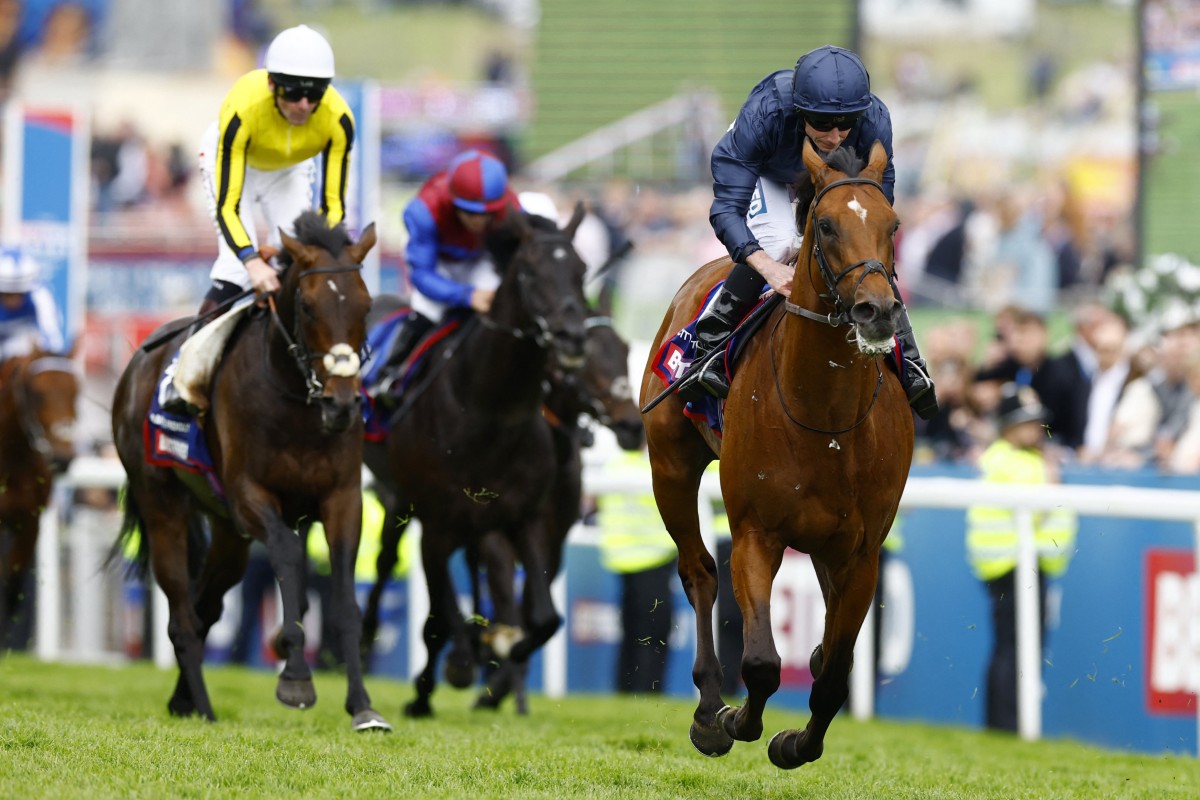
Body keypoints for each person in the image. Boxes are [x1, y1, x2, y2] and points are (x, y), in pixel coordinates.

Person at [678, 44, 937, 420]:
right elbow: (725, 210)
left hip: (831, 177)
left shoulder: (874, 119)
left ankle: (910, 360)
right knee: (780, 241)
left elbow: (879, 208)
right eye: (823, 124)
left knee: (860, 240)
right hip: (767, 171)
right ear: (801, 112)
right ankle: (709, 346)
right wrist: (767, 266)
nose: (834, 136)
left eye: (844, 124)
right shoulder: (765, 114)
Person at [160, 23, 354, 412]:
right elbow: (229, 205)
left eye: (315, 93)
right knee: (234, 268)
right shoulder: (242, 108)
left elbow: (333, 207)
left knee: (309, 265)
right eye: (294, 91)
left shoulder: (339, 119)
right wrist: (251, 260)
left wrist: (326, 258)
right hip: (237, 165)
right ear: (271, 85)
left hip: (289, 170)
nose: (304, 104)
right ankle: (180, 374)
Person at [965, 383, 1077, 732]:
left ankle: (1003, 723)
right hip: (1019, 566)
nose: (1036, 429)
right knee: (1018, 649)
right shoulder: (1022, 463)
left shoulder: (1000, 456)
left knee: (1009, 647)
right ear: (1008, 425)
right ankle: (1009, 724)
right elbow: (1048, 506)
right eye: (1027, 422)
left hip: (1009, 565)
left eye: (1037, 421)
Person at [373, 149, 520, 398]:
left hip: (483, 257)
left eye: (487, 214)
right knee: (428, 310)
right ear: (453, 202)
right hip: (438, 262)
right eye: (471, 213)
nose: (480, 222)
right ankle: (391, 374)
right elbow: (421, 275)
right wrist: (467, 296)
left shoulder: (512, 208)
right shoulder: (423, 210)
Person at [597, 449, 677, 693]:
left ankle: (627, 690)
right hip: (654, 556)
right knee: (653, 633)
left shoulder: (613, 463)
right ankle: (647, 693)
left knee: (632, 631)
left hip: (625, 558)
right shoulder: (654, 461)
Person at [0, 247, 66, 362]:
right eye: (7, 294)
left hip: (22, 343)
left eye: (20, 294)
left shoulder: (41, 295)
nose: (14, 299)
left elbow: (51, 336)